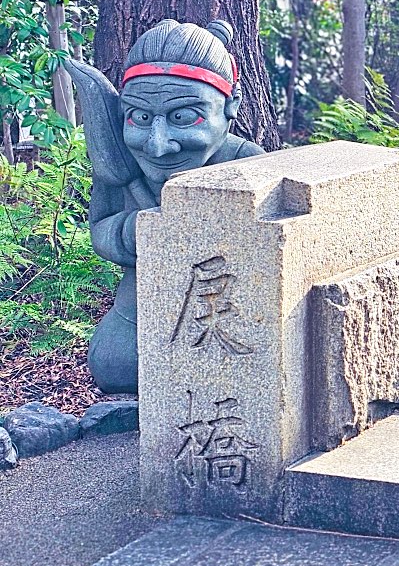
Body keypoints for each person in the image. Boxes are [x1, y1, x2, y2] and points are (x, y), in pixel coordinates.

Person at [64, 19, 265, 393]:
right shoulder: (119, 168)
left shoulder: (245, 161)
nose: (158, 146)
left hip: (220, 307)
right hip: (139, 306)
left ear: (231, 105)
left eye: (184, 117)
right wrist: (135, 232)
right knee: (115, 363)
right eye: (140, 118)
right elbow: (101, 229)